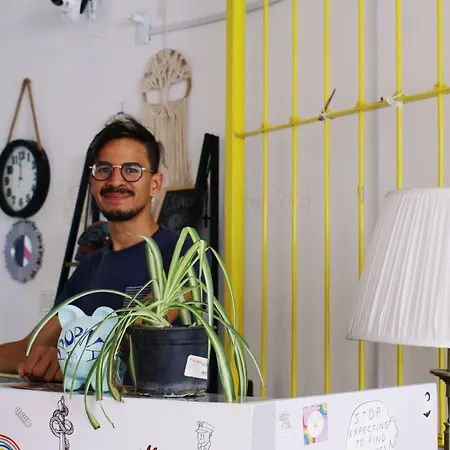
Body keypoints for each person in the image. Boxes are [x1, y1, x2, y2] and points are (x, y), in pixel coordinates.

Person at [0, 114, 192, 383]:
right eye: (104, 169)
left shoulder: (183, 252)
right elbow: (29, 349)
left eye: (132, 170)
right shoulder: (87, 269)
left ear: (155, 184)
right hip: (88, 411)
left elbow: (141, 330)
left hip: (156, 409)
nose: (116, 181)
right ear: (92, 183)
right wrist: (45, 358)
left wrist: (71, 357)